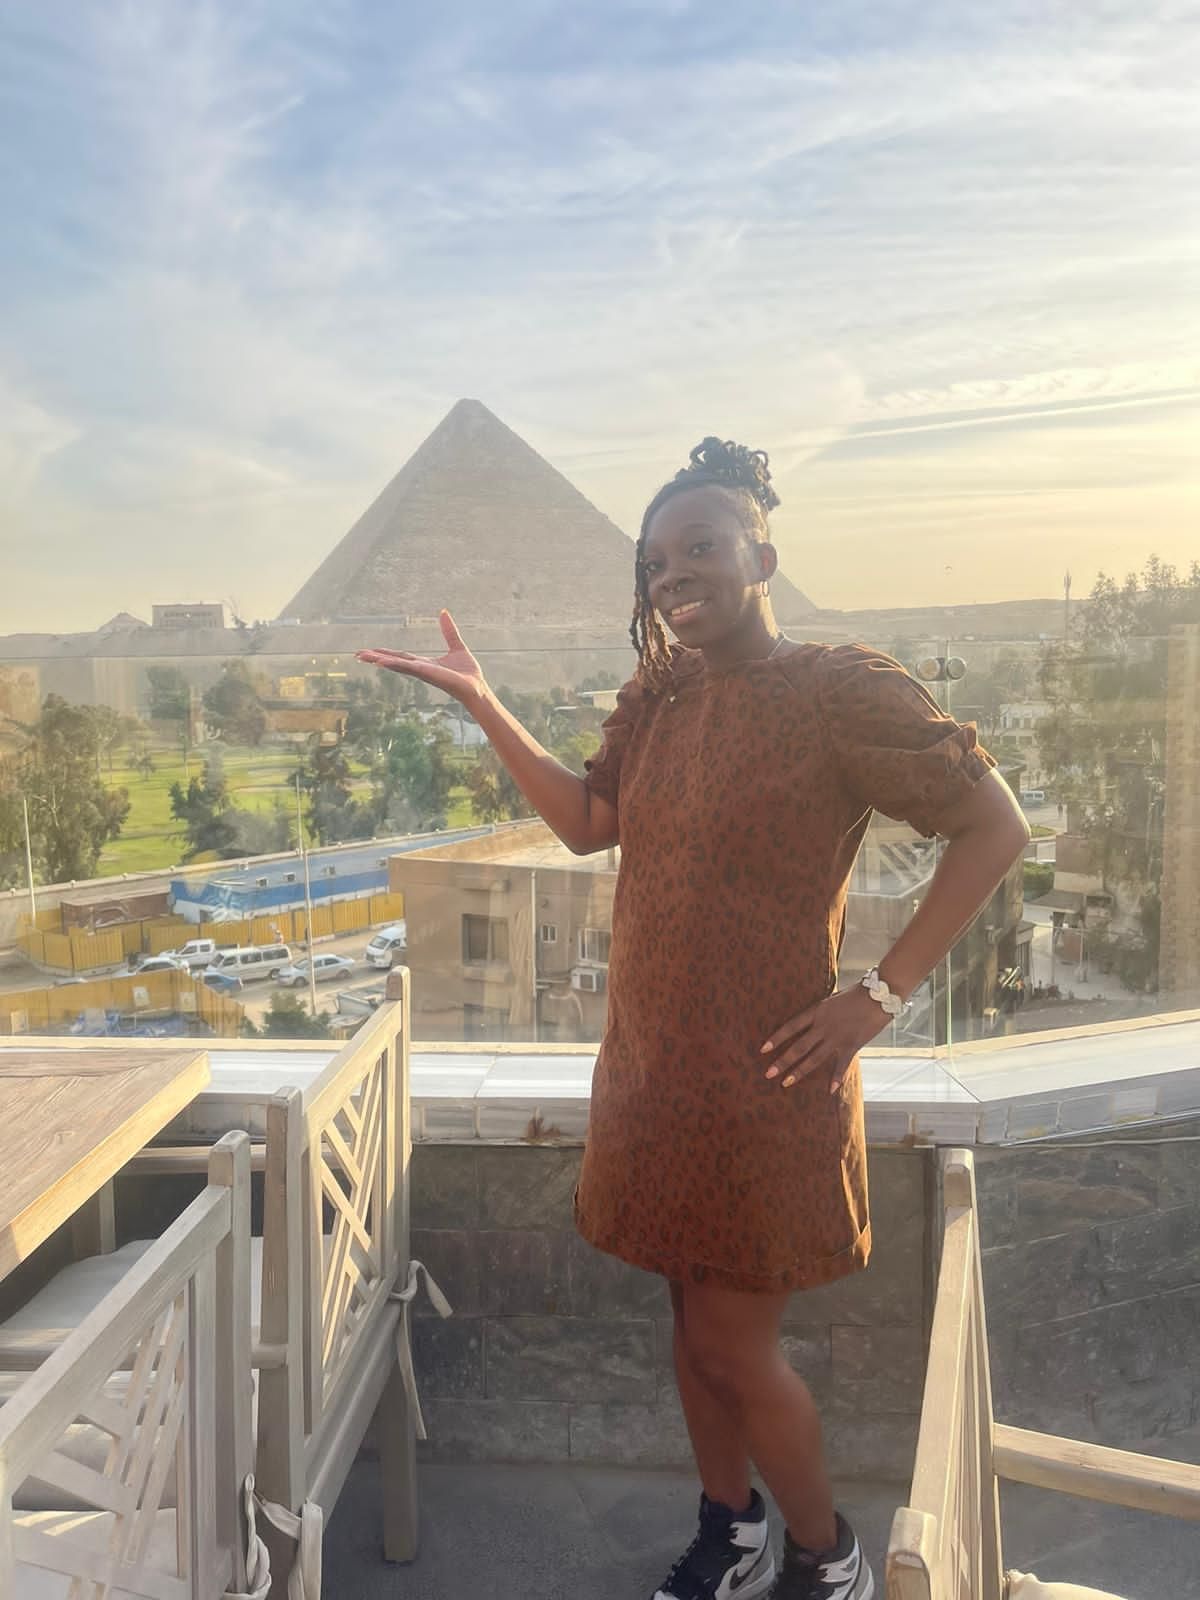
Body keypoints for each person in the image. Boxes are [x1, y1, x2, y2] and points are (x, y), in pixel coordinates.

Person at [359, 437, 1030, 1600]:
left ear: (761, 553)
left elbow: (996, 829)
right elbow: (585, 822)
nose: (674, 575)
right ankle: (735, 1527)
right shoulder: (661, 694)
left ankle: (829, 1553)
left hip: (767, 1079)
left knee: (733, 1341)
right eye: (655, 559)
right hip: (654, 1074)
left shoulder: (840, 688)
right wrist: (482, 702)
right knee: (690, 1320)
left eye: (702, 547)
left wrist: (876, 996)